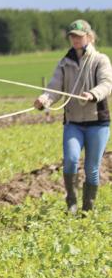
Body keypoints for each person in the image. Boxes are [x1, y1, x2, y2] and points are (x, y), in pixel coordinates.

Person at [34, 19, 112, 214]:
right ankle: (71, 202)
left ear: (88, 36)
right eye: (72, 36)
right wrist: (44, 100)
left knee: (92, 168)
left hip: (98, 123)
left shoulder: (100, 60)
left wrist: (93, 94)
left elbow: (107, 84)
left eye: (79, 36)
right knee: (70, 160)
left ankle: (88, 208)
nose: (75, 39)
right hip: (73, 123)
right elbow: (54, 88)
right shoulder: (64, 62)